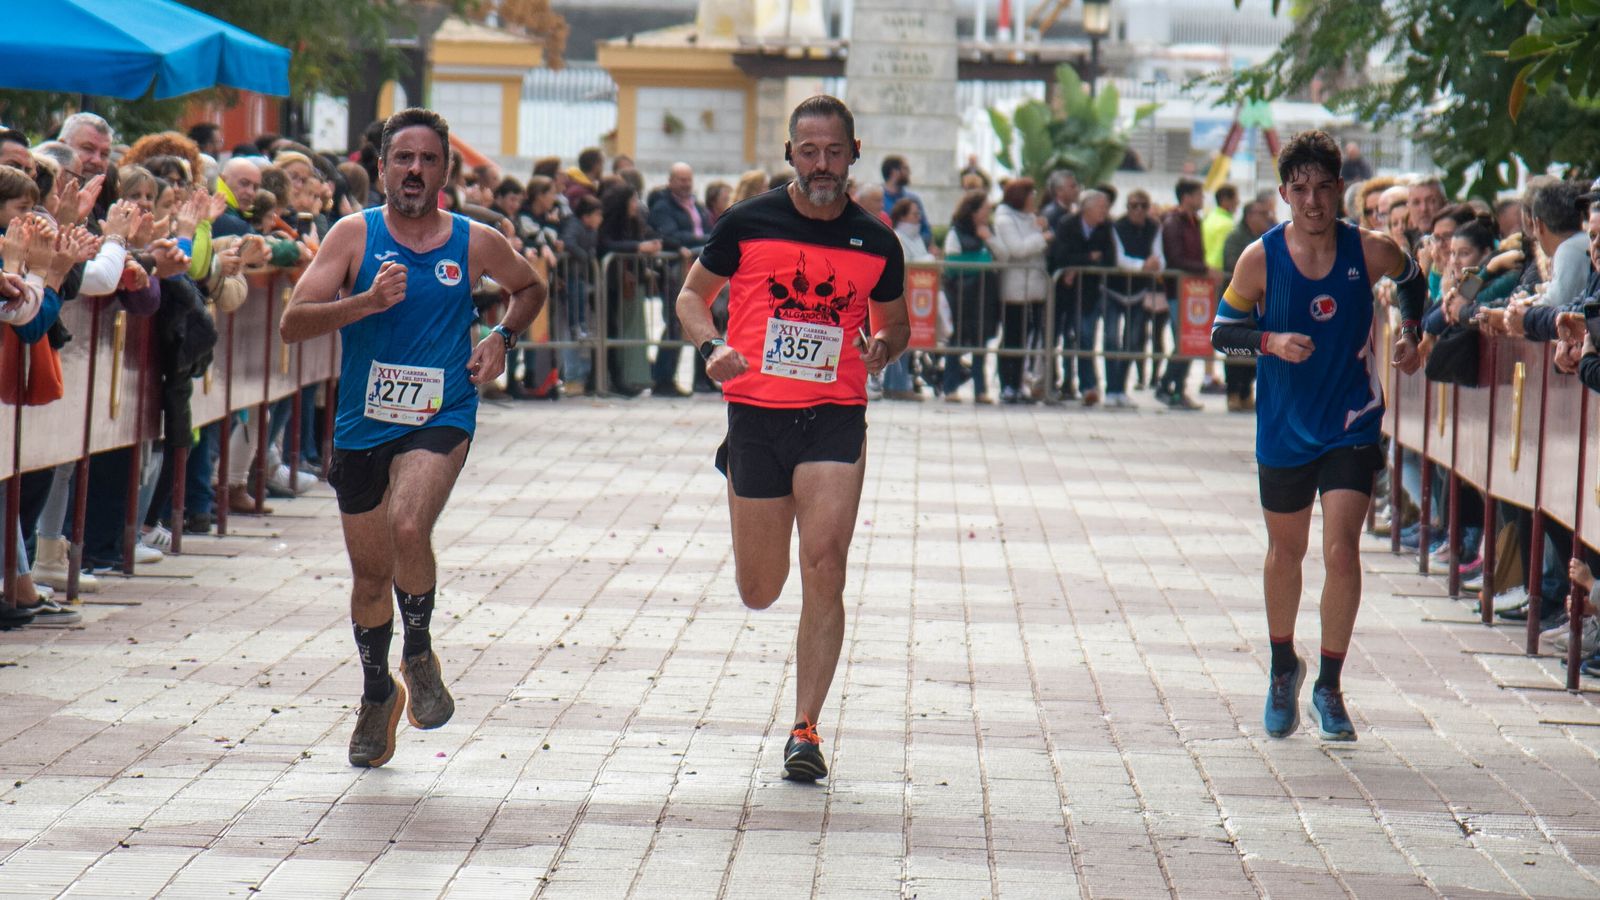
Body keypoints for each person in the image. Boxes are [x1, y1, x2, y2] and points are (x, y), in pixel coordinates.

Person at [279, 108, 547, 768]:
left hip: (441, 411)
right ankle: (379, 694)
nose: (415, 171)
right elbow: (293, 323)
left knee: (408, 525)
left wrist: (500, 339)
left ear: (446, 172)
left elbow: (529, 286)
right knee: (370, 578)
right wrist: (365, 303)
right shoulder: (352, 236)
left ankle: (419, 651)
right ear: (382, 169)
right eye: (404, 159)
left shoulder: (474, 241)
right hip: (363, 424)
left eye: (429, 160)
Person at [673, 95, 908, 782]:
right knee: (760, 588)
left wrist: (881, 346)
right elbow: (691, 297)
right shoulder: (747, 223)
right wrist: (711, 344)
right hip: (756, 415)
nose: (822, 164)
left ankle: (805, 729)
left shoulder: (876, 241)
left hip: (835, 412)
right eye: (809, 151)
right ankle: (743, 485)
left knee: (826, 564)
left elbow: (896, 326)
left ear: (854, 153)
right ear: (790, 156)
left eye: (834, 151)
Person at [1211, 130, 1426, 742]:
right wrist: (1270, 341)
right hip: (1284, 426)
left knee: (1342, 550)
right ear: (1283, 194)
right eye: (1299, 190)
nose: (1312, 202)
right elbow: (1223, 332)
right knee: (1286, 551)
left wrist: (1413, 332)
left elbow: (1414, 280)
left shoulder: (1371, 250)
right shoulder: (1260, 258)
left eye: (1323, 188)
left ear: (1339, 190)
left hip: (1352, 422)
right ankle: (1284, 667)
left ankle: (1329, 686)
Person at [1219, 194, 1275, 412]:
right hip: (1239, 303)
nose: (1267, 217)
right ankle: (1233, 392)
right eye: (1262, 214)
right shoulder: (1236, 237)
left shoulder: (1267, 237)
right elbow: (1233, 264)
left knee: (1255, 350)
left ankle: (1246, 392)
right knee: (1235, 350)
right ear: (1250, 215)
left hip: (1259, 306)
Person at [879, 155, 930, 249]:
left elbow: (925, 230)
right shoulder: (878, 198)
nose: (909, 172)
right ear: (894, 172)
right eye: (905, 168)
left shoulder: (913, 199)